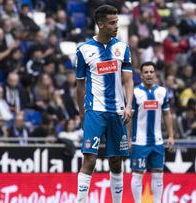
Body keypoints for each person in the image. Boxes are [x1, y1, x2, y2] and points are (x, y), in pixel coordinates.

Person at [75, 5, 134, 203]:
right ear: (100, 24)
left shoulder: (123, 48)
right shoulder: (84, 50)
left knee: (116, 161)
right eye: (112, 23)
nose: (116, 26)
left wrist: (128, 105)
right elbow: (79, 85)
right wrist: (83, 113)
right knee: (89, 158)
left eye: (116, 22)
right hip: (95, 110)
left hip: (117, 111)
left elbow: (128, 80)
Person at [129, 62, 174, 203]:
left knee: (158, 173)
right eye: (146, 72)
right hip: (139, 141)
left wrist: (171, 135)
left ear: (155, 75)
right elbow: (129, 117)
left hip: (158, 141)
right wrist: (128, 138)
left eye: (151, 72)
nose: (149, 74)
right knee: (137, 173)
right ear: (141, 75)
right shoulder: (135, 93)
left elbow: (167, 114)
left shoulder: (162, 92)